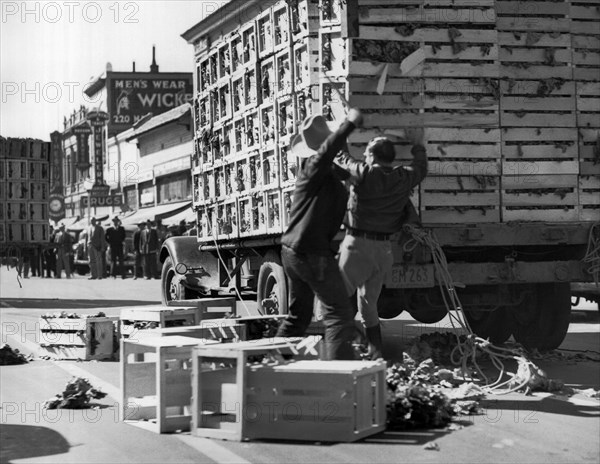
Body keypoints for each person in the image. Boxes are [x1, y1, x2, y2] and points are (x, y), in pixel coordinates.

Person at [275, 108, 363, 361]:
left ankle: (275, 365)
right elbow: (327, 153)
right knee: (339, 315)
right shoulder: (313, 167)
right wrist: (349, 124)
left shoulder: (322, 174)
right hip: (311, 252)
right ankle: (340, 376)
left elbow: (343, 171)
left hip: (294, 252)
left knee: (298, 317)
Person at [334, 128, 428, 359]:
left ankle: (338, 354)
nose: (364, 156)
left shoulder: (364, 173)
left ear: (373, 156)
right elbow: (421, 168)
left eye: (366, 152)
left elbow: (343, 160)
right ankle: (376, 355)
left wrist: (341, 135)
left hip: (358, 247)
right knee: (368, 305)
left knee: (334, 300)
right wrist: (418, 146)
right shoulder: (403, 176)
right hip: (384, 251)